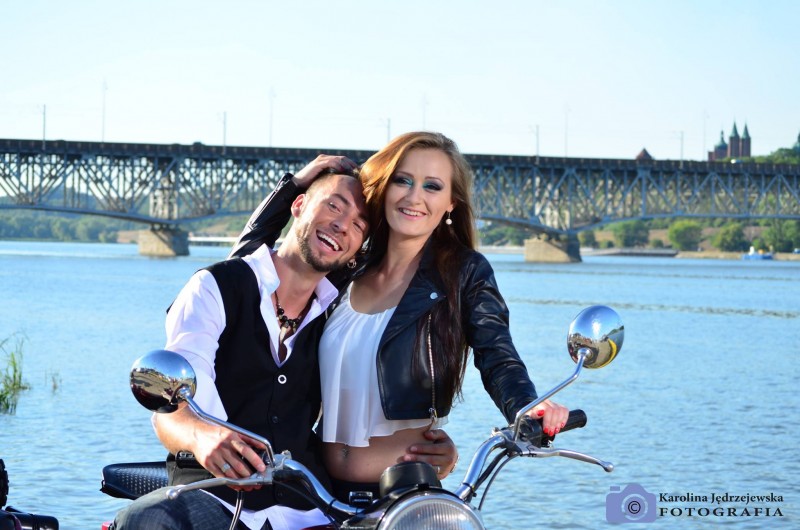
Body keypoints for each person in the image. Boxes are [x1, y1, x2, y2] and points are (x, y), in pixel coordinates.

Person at [231, 131, 569, 502]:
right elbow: (247, 276)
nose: (414, 196)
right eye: (403, 180)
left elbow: (498, 357)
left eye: (432, 186)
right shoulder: (346, 269)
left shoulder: (463, 273)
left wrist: (526, 407)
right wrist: (293, 187)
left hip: (404, 495)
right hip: (318, 492)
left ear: (451, 203)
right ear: (386, 187)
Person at [113, 164, 456, 530]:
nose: (342, 225)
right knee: (145, 520)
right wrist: (201, 437)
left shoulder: (341, 314)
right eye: (334, 206)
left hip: (309, 505)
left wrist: (437, 452)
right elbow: (174, 411)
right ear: (299, 205)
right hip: (212, 495)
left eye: (359, 225)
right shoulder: (215, 288)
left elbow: (369, 403)